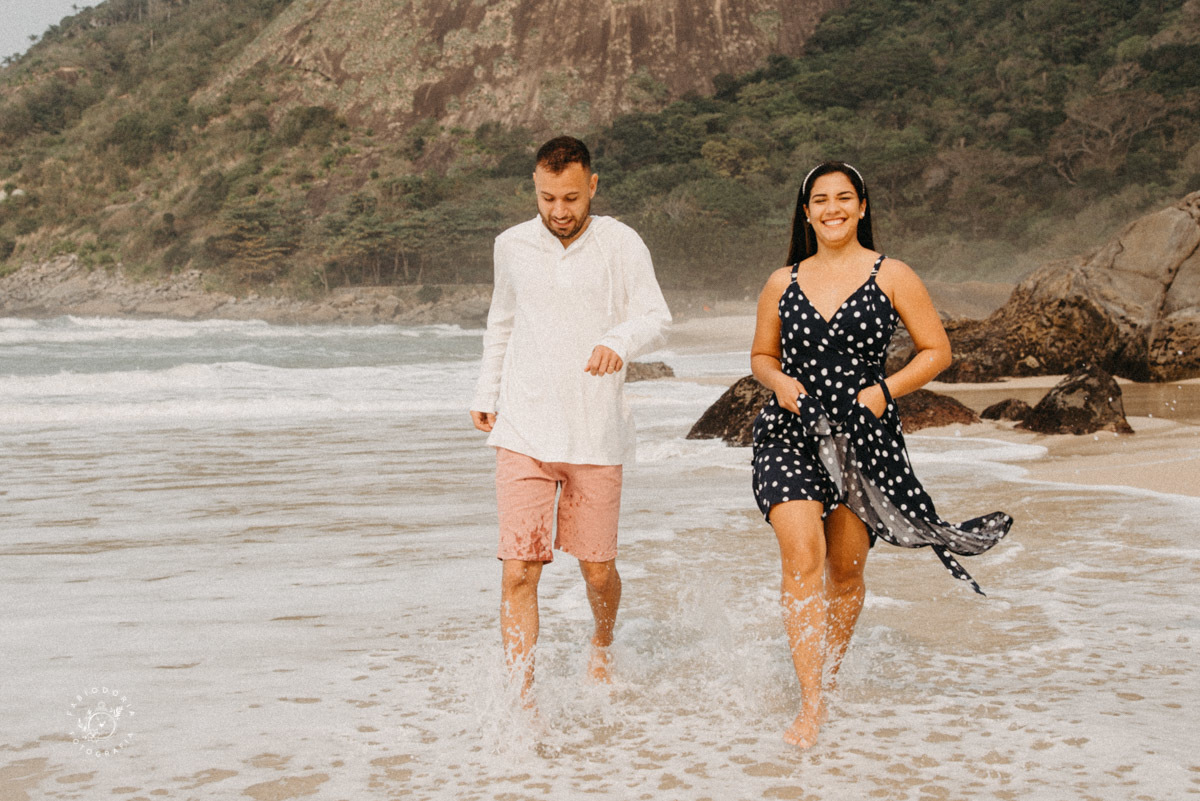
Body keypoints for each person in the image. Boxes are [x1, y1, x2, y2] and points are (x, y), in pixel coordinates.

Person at [749, 162, 1013, 748]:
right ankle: (811, 704)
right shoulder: (781, 281)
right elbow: (762, 356)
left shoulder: (891, 273)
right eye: (820, 199)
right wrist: (779, 383)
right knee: (802, 554)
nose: (833, 208)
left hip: (864, 436)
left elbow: (935, 350)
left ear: (863, 207)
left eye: (845, 198)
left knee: (845, 571)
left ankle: (829, 674)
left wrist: (884, 390)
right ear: (806, 211)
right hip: (790, 431)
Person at [469, 136, 671, 701]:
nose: (559, 211)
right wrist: (486, 390)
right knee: (517, 571)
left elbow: (655, 315)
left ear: (594, 187)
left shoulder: (622, 243)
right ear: (534, 189)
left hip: (595, 434)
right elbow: (501, 323)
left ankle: (601, 643)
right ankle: (520, 696)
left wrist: (618, 340)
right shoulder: (510, 245)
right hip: (524, 430)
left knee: (597, 572)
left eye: (572, 198)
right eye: (548, 197)